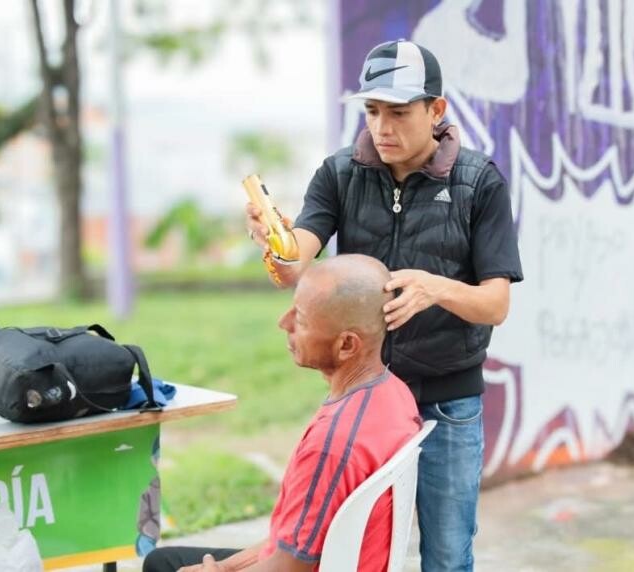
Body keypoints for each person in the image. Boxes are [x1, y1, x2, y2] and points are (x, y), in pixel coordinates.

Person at [246, 39, 523, 572]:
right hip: (366, 401)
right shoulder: (340, 173)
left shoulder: (478, 182)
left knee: (446, 556)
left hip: (449, 401)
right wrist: (274, 245)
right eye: (373, 111)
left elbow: (496, 303)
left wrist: (434, 286)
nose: (381, 128)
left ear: (436, 111)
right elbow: (297, 264)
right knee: (350, 553)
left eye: (398, 113)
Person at [142, 254, 421, 572]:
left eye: (300, 320)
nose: (283, 322)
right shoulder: (393, 392)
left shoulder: (331, 445)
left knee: (161, 567)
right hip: (342, 557)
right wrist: (226, 567)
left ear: (347, 345)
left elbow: (290, 567)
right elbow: (294, 537)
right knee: (162, 561)